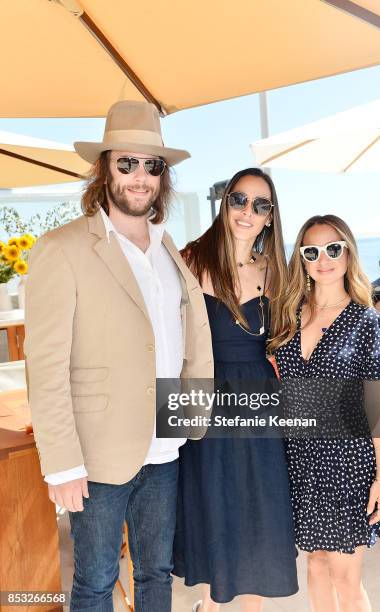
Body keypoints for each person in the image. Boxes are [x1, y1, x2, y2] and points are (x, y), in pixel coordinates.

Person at [24, 100, 213, 612]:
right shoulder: (61, 248)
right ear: (104, 168)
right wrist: (61, 464)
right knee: (95, 581)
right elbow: (44, 365)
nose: (139, 177)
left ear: (162, 177)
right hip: (98, 454)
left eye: (151, 166)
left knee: (156, 574)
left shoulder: (169, 248)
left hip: (165, 446)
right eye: (125, 163)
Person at [173, 168, 299, 611]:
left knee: (259, 520)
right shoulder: (190, 260)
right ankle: (209, 605)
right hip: (207, 405)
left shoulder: (278, 271)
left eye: (260, 205)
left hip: (262, 409)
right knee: (217, 515)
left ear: (270, 217)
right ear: (225, 203)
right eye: (240, 200)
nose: (248, 211)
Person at [272, 215, 380, 612]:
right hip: (300, 462)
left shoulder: (366, 323)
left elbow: (376, 404)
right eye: (312, 251)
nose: (323, 259)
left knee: (346, 577)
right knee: (316, 564)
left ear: (347, 254)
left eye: (333, 248)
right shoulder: (287, 316)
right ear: (302, 260)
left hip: (348, 463)